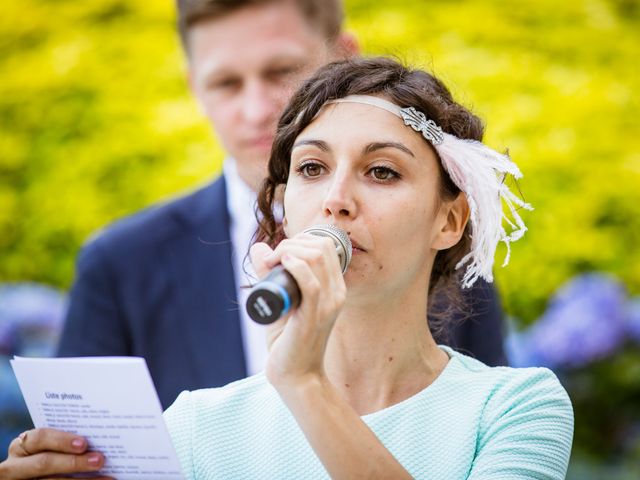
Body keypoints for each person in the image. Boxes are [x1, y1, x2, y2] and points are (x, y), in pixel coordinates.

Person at [0, 56, 572, 479]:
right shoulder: (197, 426)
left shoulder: (516, 408)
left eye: (382, 172)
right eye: (313, 167)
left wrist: (302, 382)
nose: (337, 199)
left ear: (449, 222)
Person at [56, 0, 507, 413]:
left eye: (281, 72)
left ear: (346, 59)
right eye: (226, 83)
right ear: (196, 87)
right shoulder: (119, 264)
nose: (256, 110)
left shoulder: (432, 245)